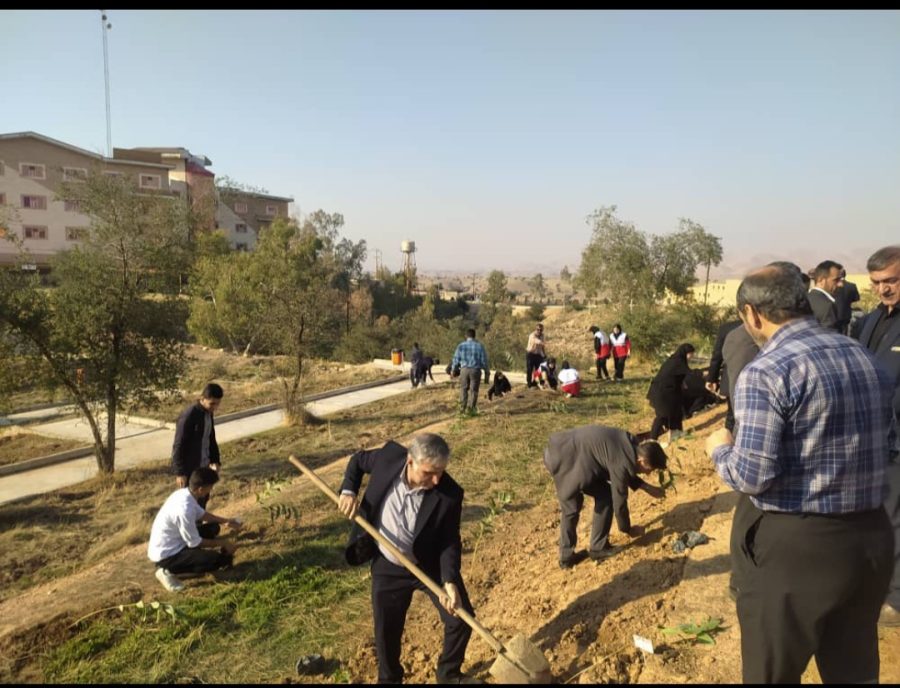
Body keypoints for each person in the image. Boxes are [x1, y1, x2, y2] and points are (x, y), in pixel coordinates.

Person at [705, 263, 895, 684]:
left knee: (772, 672)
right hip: (870, 540)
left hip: (799, 548)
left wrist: (719, 451)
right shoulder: (862, 356)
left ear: (752, 314)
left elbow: (753, 475)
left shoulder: (767, 371)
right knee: (854, 670)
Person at [338, 433, 476, 684]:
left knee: (461, 618)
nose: (436, 480)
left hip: (428, 564)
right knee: (386, 632)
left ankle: (448, 674)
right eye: (429, 472)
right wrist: (348, 490)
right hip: (388, 565)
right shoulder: (388, 457)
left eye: (441, 472)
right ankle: (389, 679)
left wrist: (450, 581)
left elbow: (449, 540)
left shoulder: (449, 494)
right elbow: (357, 462)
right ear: (410, 461)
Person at [543, 425, 668, 569]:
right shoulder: (622, 459)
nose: (648, 474)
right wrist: (627, 529)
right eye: (650, 470)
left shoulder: (629, 445)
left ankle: (598, 547)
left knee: (605, 495)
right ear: (642, 461)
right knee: (572, 506)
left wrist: (647, 487)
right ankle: (566, 558)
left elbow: (624, 470)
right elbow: (620, 501)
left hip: (578, 455)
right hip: (563, 458)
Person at [854, 245, 900, 627]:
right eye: (876, 283)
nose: (883, 289)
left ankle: (897, 600)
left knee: (895, 517)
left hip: (897, 439)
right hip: (869, 437)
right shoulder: (870, 320)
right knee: (873, 515)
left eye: (891, 281)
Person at [147, 467, 242, 592]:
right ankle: (167, 571)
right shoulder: (184, 510)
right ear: (201, 489)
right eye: (210, 487)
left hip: (176, 540)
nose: (211, 490)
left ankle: (186, 563)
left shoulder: (184, 494)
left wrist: (226, 521)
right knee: (220, 560)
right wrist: (222, 543)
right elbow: (195, 542)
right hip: (167, 556)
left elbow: (203, 515)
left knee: (214, 527)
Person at [172, 383, 224, 513]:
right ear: (202, 398)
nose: (215, 407)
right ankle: (186, 531)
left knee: (203, 499)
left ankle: (198, 529)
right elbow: (178, 444)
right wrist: (180, 472)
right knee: (189, 503)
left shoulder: (208, 414)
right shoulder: (189, 416)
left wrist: (215, 461)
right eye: (212, 404)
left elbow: (210, 439)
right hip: (190, 469)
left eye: (217, 404)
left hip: (204, 466)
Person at [647, 343, 695, 442]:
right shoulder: (677, 362)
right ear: (685, 353)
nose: (692, 356)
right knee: (663, 415)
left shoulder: (677, 360)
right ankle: (652, 439)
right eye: (691, 354)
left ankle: (676, 433)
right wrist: (706, 374)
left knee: (676, 411)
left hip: (670, 392)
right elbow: (691, 374)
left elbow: (678, 375)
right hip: (662, 392)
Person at [705, 319, 742, 421]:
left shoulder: (726, 328)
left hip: (731, 377)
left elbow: (717, 355)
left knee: (732, 415)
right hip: (759, 377)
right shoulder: (763, 323)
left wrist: (712, 378)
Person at [451, 329, 490, 415]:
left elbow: (456, 359)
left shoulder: (461, 346)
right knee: (474, 390)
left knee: (463, 389)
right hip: (475, 370)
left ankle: (462, 408)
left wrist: (453, 370)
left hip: (464, 370)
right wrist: (487, 372)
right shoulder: (480, 346)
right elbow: (484, 361)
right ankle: (471, 409)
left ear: (466, 336)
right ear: (474, 336)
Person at [806, 259, 843, 331]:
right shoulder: (827, 306)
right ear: (821, 280)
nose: (840, 284)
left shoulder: (805, 299)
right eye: (836, 280)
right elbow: (830, 338)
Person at [834, 267, 861, 335]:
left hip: (834, 314)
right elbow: (856, 298)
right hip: (846, 315)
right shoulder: (852, 286)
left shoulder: (833, 286)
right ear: (845, 275)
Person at [525, 323, 546, 389]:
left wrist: (544, 354)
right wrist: (542, 343)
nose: (539, 331)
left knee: (538, 370)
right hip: (530, 354)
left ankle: (535, 382)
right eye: (538, 330)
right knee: (529, 369)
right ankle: (529, 383)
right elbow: (536, 341)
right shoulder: (532, 335)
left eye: (541, 330)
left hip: (538, 355)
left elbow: (542, 347)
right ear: (535, 329)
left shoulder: (542, 336)